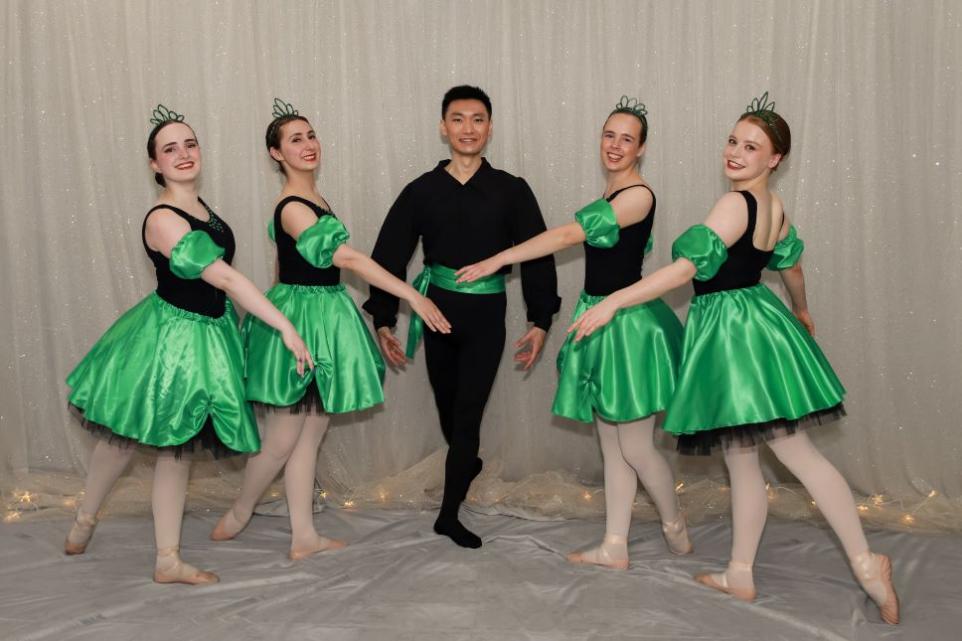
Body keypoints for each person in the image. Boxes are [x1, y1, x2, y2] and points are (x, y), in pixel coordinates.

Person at [568, 93, 899, 624]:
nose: (736, 153)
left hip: (734, 333)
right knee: (742, 457)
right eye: (732, 141)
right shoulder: (773, 206)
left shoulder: (733, 205)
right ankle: (740, 571)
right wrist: (803, 310)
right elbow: (790, 262)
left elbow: (681, 272)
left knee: (797, 453)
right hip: (754, 321)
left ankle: (866, 562)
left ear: (775, 160)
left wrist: (613, 301)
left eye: (751, 147)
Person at [64, 104, 313, 584]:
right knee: (121, 441)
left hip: (206, 336)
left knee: (175, 447)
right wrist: (282, 324)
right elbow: (221, 276)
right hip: (165, 338)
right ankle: (85, 518)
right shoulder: (162, 217)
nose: (183, 154)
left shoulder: (204, 210)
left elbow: (222, 283)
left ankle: (167, 559)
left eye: (190, 144)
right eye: (170, 149)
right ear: (154, 164)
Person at [456, 97, 690, 568]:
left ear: (641, 149)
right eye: (609, 135)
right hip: (598, 318)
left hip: (629, 326)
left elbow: (566, 236)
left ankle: (674, 526)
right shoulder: (610, 194)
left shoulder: (638, 195)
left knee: (637, 446)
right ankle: (615, 544)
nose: (616, 145)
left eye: (627, 139)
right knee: (611, 443)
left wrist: (500, 257)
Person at [210, 99, 450, 559]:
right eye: (295, 139)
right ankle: (241, 509)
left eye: (311, 134)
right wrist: (411, 294)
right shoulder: (294, 206)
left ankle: (304, 535)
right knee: (283, 436)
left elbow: (285, 262)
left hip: (323, 315)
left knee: (313, 430)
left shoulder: (315, 197)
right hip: (301, 320)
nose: (308, 144)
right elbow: (348, 259)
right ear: (276, 154)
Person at [363, 85, 560, 548]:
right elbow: (388, 255)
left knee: (468, 414)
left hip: (487, 317)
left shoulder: (512, 190)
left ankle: (448, 516)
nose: (467, 128)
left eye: (477, 119)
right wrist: (385, 320)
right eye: (457, 118)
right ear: (442, 127)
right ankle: (465, 462)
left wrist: (540, 320)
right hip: (436, 318)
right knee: (450, 412)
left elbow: (539, 255)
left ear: (489, 128)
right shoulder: (421, 191)